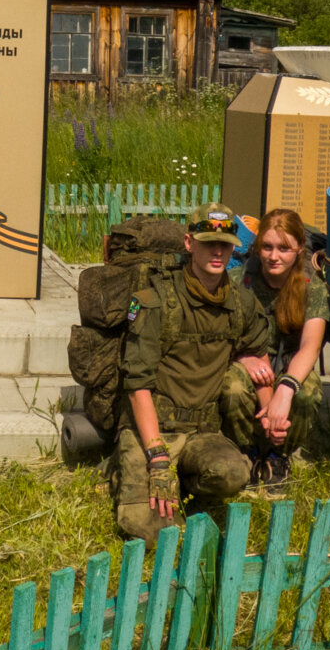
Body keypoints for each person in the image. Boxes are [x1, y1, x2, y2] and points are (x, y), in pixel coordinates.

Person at [113, 205, 277, 541]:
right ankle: (126, 472)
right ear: (189, 243)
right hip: (154, 429)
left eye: (225, 244)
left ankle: (184, 480)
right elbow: (137, 385)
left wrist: (271, 412)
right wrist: (157, 456)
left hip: (203, 431)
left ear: (235, 247)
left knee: (232, 474)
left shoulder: (241, 302)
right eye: (207, 242)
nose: (217, 251)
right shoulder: (157, 300)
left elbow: (259, 353)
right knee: (148, 532)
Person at [237, 208, 329, 486]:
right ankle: (248, 451)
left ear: (299, 249)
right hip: (249, 361)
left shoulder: (312, 288)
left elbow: (310, 348)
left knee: (307, 391)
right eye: (266, 247)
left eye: (284, 248)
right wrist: (244, 360)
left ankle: (281, 455)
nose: (273, 256)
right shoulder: (240, 282)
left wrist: (285, 391)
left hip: (290, 364)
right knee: (232, 388)